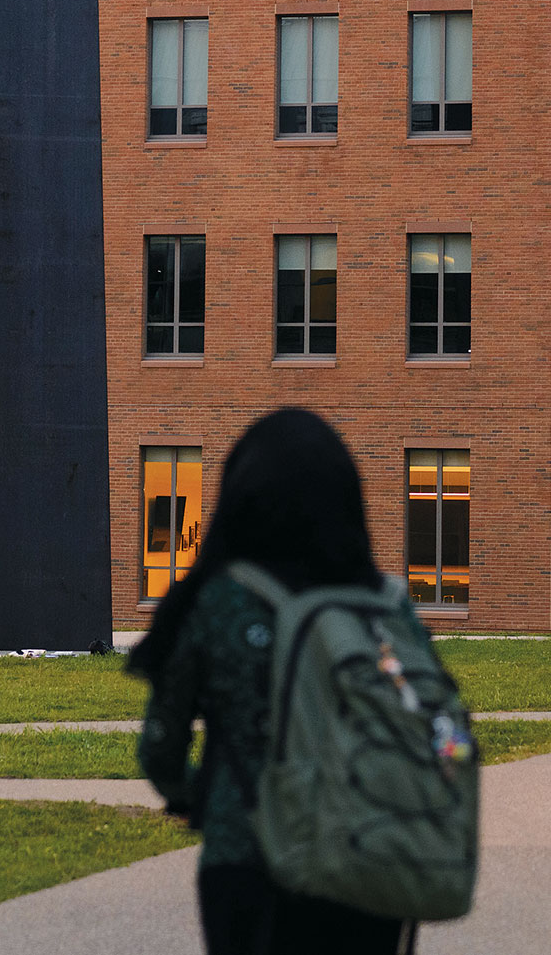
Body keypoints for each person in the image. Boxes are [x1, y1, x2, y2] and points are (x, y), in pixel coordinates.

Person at [128, 409, 422, 955]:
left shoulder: (217, 602)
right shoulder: (385, 603)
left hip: (246, 858)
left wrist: (198, 795)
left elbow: (160, 747)